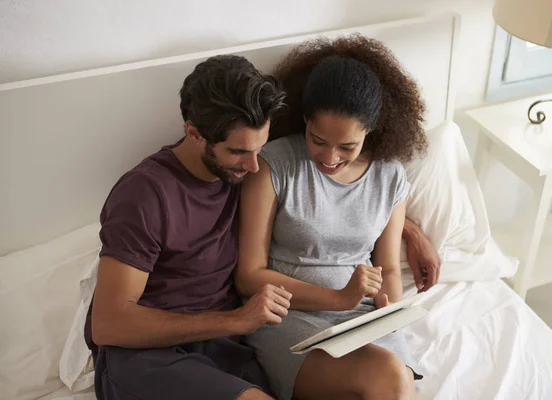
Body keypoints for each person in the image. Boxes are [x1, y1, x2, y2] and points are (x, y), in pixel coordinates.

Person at [235, 35, 438, 400]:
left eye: (347, 146)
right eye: (317, 140)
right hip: (291, 316)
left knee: (390, 381)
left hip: (363, 315)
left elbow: (388, 268)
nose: (329, 157)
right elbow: (249, 276)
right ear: (304, 120)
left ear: (370, 131)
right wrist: (339, 298)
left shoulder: (391, 178)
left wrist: (387, 311)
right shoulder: (273, 166)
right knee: (390, 379)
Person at [85, 55, 291, 400]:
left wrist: (406, 228)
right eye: (238, 152)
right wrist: (235, 320)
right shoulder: (144, 194)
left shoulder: (244, 174)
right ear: (193, 132)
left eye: (260, 148)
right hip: (146, 358)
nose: (254, 166)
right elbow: (109, 324)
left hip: (223, 353)